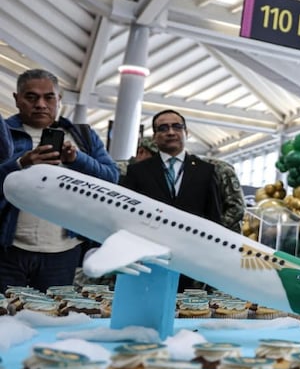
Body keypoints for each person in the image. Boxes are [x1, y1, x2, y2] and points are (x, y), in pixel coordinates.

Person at [0, 69, 119, 291]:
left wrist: (77, 159)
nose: (41, 104)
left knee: (53, 317)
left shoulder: (82, 136)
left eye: (49, 97)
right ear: (17, 99)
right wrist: (21, 164)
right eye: (31, 97)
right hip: (8, 248)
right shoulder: (3, 133)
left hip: (64, 251)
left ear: (59, 99)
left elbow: (112, 178)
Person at [121, 110, 225, 290]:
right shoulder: (138, 171)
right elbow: (126, 216)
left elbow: (214, 217)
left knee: (188, 312)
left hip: (191, 259)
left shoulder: (206, 171)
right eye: (163, 128)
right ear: (154, 137)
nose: (170, 132)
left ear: (186, 132)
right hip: (149, 256)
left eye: (177, 126)